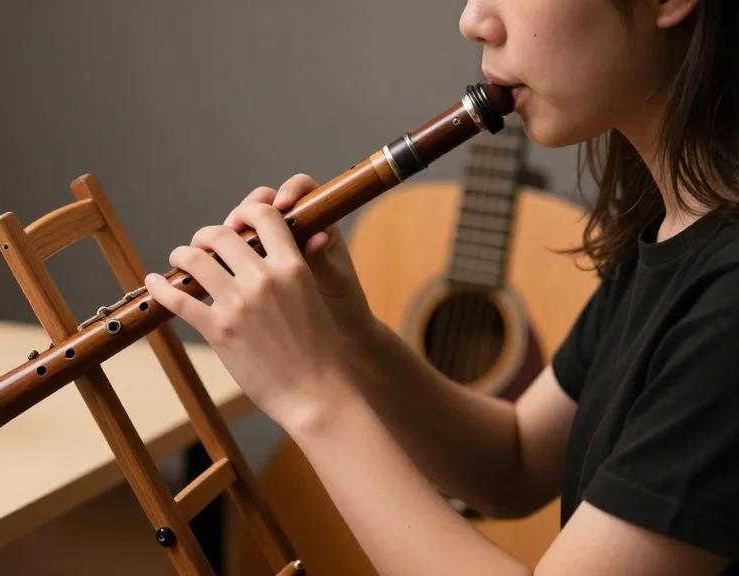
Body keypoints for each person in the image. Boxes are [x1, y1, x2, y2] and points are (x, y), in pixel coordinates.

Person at [144, 0, 739, 573]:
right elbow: (514, 463)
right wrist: (350, 335)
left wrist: (311, 396)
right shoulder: (672, 230)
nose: (473, 20)